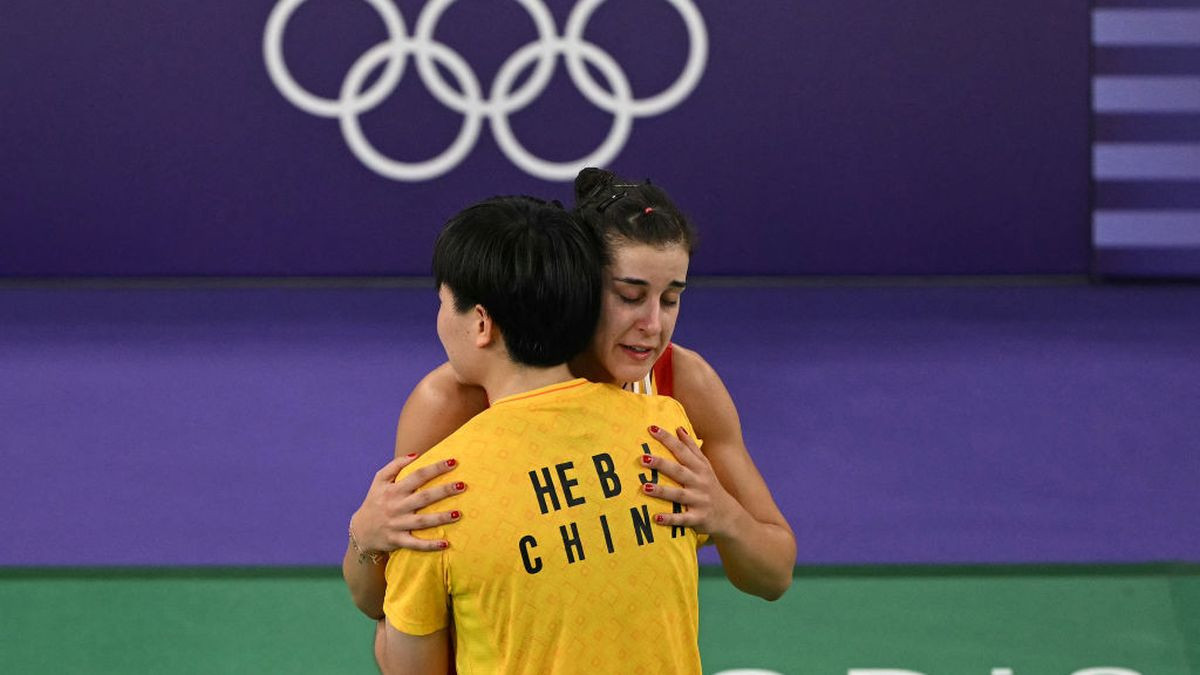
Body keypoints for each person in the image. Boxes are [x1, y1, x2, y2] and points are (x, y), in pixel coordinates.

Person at [344, 168, 795, 632]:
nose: (653, 324)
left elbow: (775, 575)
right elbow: (386, 608)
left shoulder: (683, 384)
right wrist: (365, 537)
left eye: (670, 300)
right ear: (579, 283)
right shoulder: (453, 402)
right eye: (629, 295)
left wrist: (725, 516)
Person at [377, 194, 704, 673]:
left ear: (482, 323)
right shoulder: (665, 428)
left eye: (444, 304)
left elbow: (409, 664)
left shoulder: (433, 493)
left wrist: (369, 553)